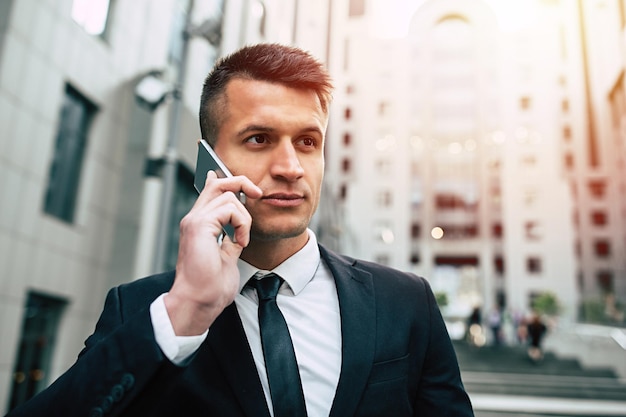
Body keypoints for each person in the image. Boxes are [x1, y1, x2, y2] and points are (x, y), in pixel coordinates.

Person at [7, 43, 474, 417]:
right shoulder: (143, 309)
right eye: (259, 139)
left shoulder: (406, 302)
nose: (291, 167)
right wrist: (187, 310)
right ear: (208, 159)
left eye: (307, 142)